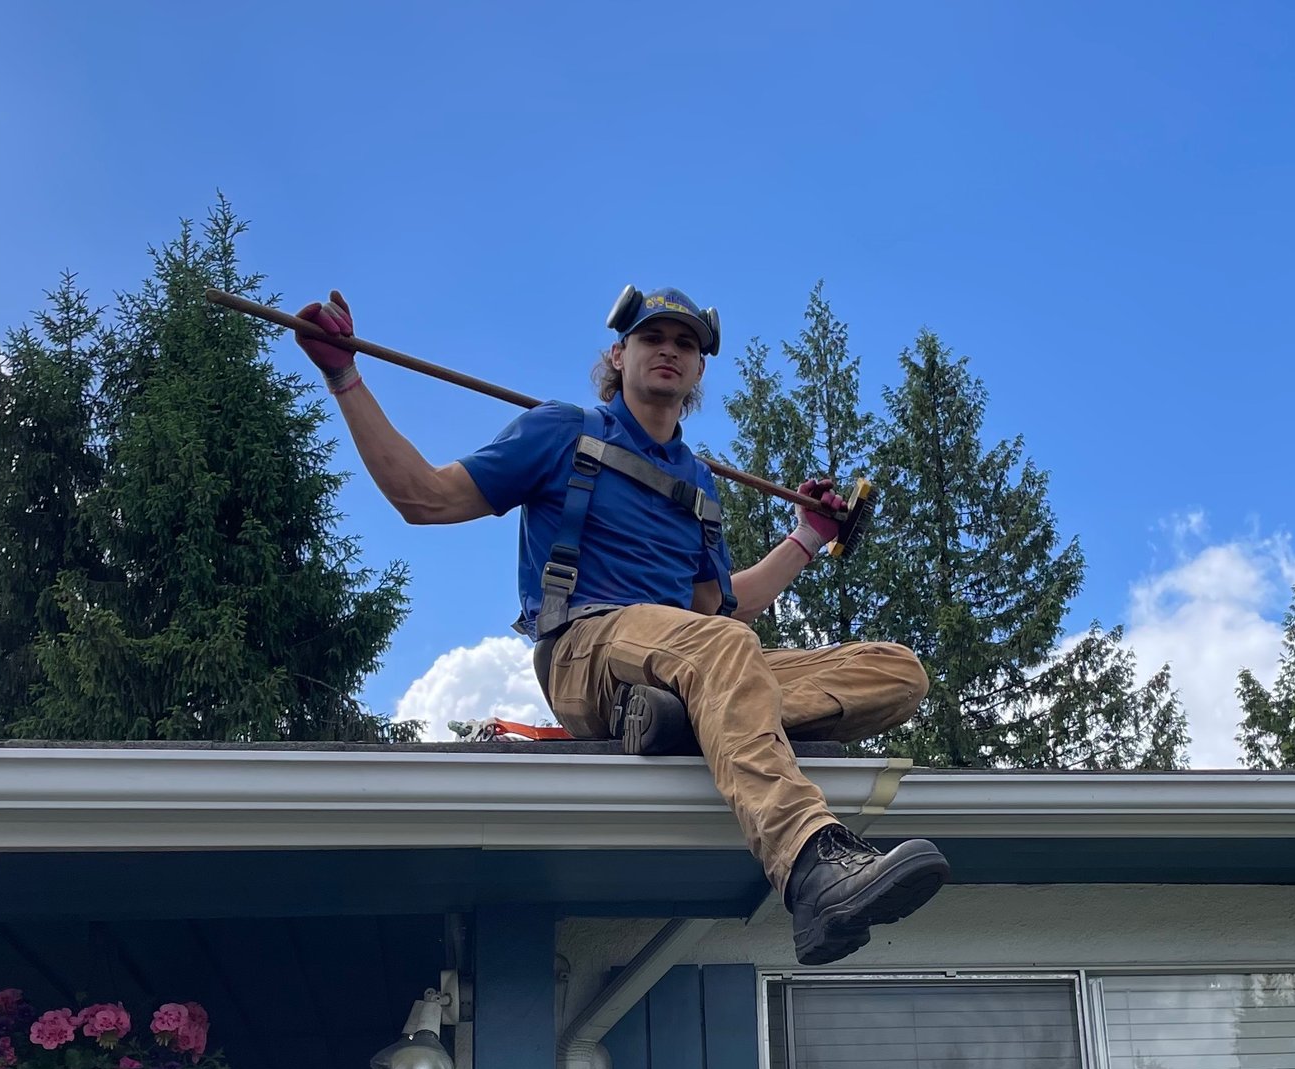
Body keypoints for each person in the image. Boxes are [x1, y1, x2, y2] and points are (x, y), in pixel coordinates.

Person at [292, 284, 949, 965]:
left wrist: (807, 538)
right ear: (619, 353)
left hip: (684, 656)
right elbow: (422, 497)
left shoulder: (699, 484)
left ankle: (675, 716)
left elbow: (719, 608)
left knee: (895, 671)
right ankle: (812, 863)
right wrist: (345, 376)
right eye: (652, 337)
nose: (669, 350)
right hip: (585, 649)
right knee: (723, 652)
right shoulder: (561, 432)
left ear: (698, 370)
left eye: (686, 343)